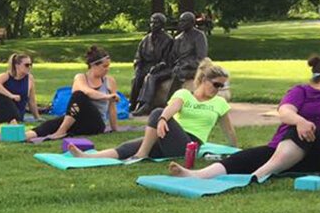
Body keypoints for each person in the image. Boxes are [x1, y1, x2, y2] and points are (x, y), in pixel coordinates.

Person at [170, 54, 320, 181]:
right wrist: (300, 120)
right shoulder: (300, 91)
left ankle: (259, 175)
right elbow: (285, 112)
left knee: (304, 130)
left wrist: (302, 124)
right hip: (285, 151)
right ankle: (198, 175)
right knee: (246, 157)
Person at [69, 59, 237, 161]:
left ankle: (142, 154)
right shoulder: (184, 94)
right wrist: (164, 119)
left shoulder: (219, 103)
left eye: (221, 86)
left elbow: (229, 131)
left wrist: (236, 150)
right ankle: (88, 157)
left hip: (188, 146)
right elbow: (173, 107)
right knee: (129, 146)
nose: (218, 88)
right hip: (169, 135)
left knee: (157, 114)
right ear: (203, 80)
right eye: (216, 84)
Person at [25, 46, 119, 141]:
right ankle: (25, 135)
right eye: (104, 66)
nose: (107, 69)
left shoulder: (109, 81)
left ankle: (61, 132)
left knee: (78, 97)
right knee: (53, 123)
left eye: (108, 66)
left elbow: (112, 108)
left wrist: (114, 129)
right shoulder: (80, 78)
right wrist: (106, 96)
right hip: (77, 120)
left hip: (96, 124)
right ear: (93, 65)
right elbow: (87, 91)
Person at [132, 11, 208, 116]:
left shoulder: (199, 36)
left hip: (192, 68)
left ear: (191, 22)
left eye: (183, 21)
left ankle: (170, 105)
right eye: (180, 21)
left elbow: (201, 57)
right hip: (176, 67)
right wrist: (161, 66)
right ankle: (146, 104)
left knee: (177, 74)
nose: (180, 23)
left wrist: (186, 64)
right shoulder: (178, 38)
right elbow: (171, 58)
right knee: (152, 76)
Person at [130, 13, 173, 109]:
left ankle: (145, 104)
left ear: (162, 25)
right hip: (146, 66)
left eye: (156, 23)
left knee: (150, 77)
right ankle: (132, 103)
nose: (153, 25)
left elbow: (167, 59)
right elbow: (138, 57)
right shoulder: (145, 39)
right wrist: (137, 66)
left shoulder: (168, 40)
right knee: (137, 76)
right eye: (152, 22)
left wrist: (159, 66)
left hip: (161, 67)